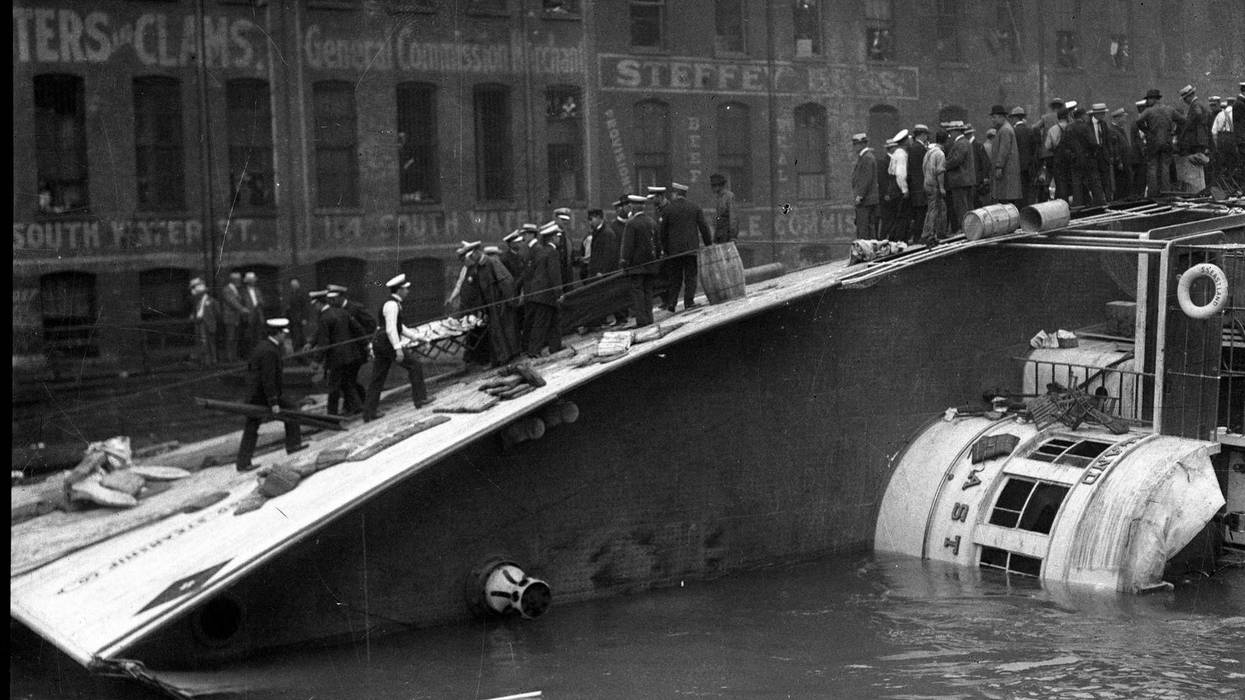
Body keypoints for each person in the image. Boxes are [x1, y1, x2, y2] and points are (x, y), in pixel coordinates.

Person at [235, 318, 306, 472]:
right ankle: (293, 446)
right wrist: (273, 402)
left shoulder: (264, 346)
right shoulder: (269, 351)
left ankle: (243, 462)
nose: (285, 337)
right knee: (292, 410)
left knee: (251, 427)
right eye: (284, 334)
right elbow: (268, 378)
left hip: (256, 394)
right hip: (263, 396)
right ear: (278, 333)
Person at [363, 274, 430, 422]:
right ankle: (420, 399)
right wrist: (398, 348)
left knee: (377, 378)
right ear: (398, 290)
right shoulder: (392, 305)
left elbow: (401, 328)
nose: (408, 291)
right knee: (415, 365)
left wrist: (417, 337)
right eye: (405, 289)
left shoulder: (393, 304)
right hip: (387, 343)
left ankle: (369, 413)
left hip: (380, 343)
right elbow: (391, 329)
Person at [461, 241, 521, 366]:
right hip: (491, 305)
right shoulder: (479, 266)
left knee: (507, 330)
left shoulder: (492, 262)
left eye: (472, 256)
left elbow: (507, 281)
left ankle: (511, 356)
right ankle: (502, 358)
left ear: (477, 252)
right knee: (496, 333)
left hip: (501, 303)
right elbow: (482, 289)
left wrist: (508, 301)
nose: (471, 259)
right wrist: (483, 309)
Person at [659, 182, 712, 312]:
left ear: (676, 194)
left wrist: (666, 250)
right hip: (691, 249)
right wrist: (708, 244)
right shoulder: (695, 207)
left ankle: (672, 303)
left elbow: (663, 233)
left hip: (674, 251)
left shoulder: (668, 210)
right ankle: (689, 302)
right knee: (691, 276)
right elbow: (704, 228)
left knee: (675, 277)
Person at [314, 289, 366, 417]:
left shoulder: (324, 318)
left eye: (314, 305)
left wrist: (316, 360)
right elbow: (358, 329)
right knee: (347, 382)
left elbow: (324, 342)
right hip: (351, 355)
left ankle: (332, 415)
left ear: (318, 304)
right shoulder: (342, 312)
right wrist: (365, 345)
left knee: (334, 386)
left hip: (336, 358)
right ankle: (358, 406)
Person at [521, 223, 565, 357]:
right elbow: (554, 275)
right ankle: (534, 351)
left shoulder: (541, 251)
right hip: (547, 294)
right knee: (542, 323)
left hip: (539, 293)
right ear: (552, 238)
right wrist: (559, 293)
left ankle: (555, 346)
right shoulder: (552, 252)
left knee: (552, 321)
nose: (559, 239)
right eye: (557, 237)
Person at [619, 194, 660, 328]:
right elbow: (657, 244)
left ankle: (641, 320)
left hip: (636, 266)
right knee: (648, 291)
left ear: (633, 207)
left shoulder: (631, 224)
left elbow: (627, 247)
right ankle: (649, 317)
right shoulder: (652, 222)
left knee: (638, 292)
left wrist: (624, 262)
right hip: (650, 265)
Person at [1137, 88, 1186, 197]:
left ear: (1153, 99)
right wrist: (1174, 132)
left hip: (1153, 143)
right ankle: (1165, 192)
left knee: (1152, 167)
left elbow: (1138, 121)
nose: (1147, 102)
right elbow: (1183, 121)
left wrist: (1147, 131)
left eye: (1148, 99)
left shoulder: (1148, 111)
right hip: (1167, 142)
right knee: (1165, 167)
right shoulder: (1170, 110)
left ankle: (1152, 193)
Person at [1175, 84, 1212, 194]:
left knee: (1195, 166)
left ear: (1188, 97)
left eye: (1185, 99)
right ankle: (1201, 189)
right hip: (1202, 139)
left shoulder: (1195, 105)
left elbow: (1197, 113)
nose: (1185, 101)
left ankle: (1198, 190)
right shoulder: (1201, 104)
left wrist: (1188, 125)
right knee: (1199, 167)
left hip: (1196, 140)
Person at [944, 121, 976, 234]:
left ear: (956, 131)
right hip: (966, 181)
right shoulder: (965, 142)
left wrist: (943, 164)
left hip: (960, 181)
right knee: (968, 207)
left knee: (961, 208)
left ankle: (965, 230)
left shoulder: (960, 143)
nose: (949, 134)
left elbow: (956, 160)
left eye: (950, 132)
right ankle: (970, 230)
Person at [989, 105, 1022, 208]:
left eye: (994, 117)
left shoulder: (1005, 130)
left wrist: (999, 166)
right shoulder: (1004, 129)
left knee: (1006, 202)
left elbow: (1004, 150)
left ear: (1001, 117)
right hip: (1007, 172)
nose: (992, 120)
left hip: (1006, 173)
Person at [921, 130, 948, 244]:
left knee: (934, 208)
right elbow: (940, 171)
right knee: (935, 209)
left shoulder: (929, 152)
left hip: (926, 182)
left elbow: (923, 167)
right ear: (945, 141)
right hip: (934, 184)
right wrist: (941, 187)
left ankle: (934, 232)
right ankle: (929, 234)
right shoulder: (940, 154)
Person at [850, 133, 879, 240]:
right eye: (854, 144)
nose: (855, 147)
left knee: (864, 228)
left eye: (857, 144)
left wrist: (860, 196)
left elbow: (865, 179)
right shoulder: (865, 157)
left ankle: (866, 250)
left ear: (863, 144)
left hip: (866, 200)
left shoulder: (866, 158)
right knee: (868, 227)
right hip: (869, 199)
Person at [906, 125, 929, 243]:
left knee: (918, 213)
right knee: (921, 213)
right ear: (922, 135)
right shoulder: (920, 148)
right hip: (921, 186)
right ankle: (919, 237)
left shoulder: (912, 147)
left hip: (915, 186)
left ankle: (917, 237)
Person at [189, 277, 219, 367]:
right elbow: (196, 311)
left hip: (209, 323)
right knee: (203, 342)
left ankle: (213, 360)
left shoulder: (212, 301)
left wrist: (212, 320)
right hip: (200, 323)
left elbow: (217, 313)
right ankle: (205, 361)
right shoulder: (197, 301)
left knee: (210, 343)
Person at [1108, 108, 1137, 200]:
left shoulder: (1120, 129)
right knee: (1121, 183)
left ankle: (1126, 199)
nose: (1125, 119)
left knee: (1127, 182)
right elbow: (1115, 148)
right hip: (1121, 163)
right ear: (1118, 118)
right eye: (1123, 117)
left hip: (1126, 161)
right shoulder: (1113, 131)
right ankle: (1121, 200)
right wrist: (1119, 161)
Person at [220, 271, 247, 363]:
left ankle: (234, 357)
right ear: (233, 280)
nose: (239, 281)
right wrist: (242, 309)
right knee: (230, 338)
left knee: (235, 338)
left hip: (236, 317)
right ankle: (229, 357)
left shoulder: (236, 289)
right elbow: (232, 302)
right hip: (229, 318)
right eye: (238, 280)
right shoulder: (227, 290)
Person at [966, 125, 992, 207]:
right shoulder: (976, 145)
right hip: (974, 179)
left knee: (976, 202)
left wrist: (984, 177)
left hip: (977, 179)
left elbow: (985, 162)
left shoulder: (977, 146)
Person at [709, 173, 738, 243]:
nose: (712, 188)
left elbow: (733, 217)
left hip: (726, 234)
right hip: (718, 235)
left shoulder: (729, 196)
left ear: (718, 186)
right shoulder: (717, 198)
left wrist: (733, 236)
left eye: (713, 186)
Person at [242, 271, 266, 352]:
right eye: (252, 280)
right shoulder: (243, 292)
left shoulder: (257, 290)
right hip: (249, 315)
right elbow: (242, 303)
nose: (254, 281)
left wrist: (260, 302)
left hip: (258, 314)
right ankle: (251, 353)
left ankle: (259, 352)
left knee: (259, 335)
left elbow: (262, 301)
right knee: (250, 336)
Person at [284, 278, 310, 354]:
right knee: (296, 336)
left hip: (299, 318)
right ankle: (301, 352)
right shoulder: (291, 293)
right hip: (292, 319)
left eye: (295, 284)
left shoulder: (302, 293)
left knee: (298, 336)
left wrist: (305, 318)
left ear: (298, 284)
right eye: (292, 285)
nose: (293, 286)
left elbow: (305, 307)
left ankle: (299, 352)